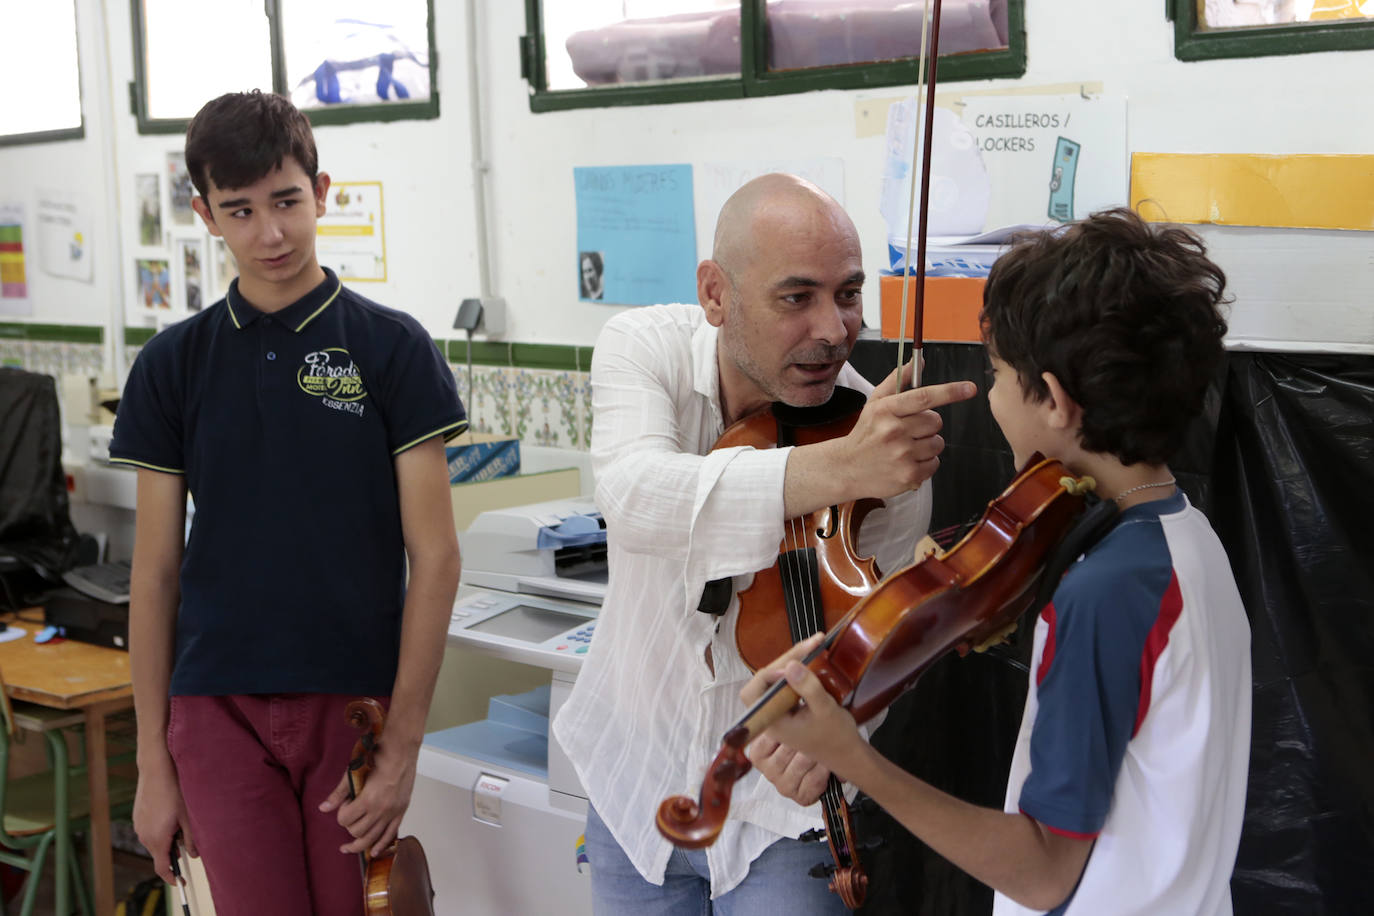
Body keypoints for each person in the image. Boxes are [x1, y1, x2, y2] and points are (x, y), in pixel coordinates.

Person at [742, 208, 1252, 915]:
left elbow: (1044, 872)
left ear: (1058, 401)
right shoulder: (1187, 542)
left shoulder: (1108, 592)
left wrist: (857, 761)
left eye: (1000, 375)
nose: (992, 396)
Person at [551, 173, 977, 913]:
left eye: (847, 294)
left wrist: (838, 733)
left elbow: (876, 630)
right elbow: (634, 498)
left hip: (780, 811)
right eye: (796, 298)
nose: (833, 330)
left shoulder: (881, 439)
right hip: (634, 780)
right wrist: (833, 470)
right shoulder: (642, 346)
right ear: (716, 294)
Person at [110, 90, 465, 916]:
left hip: (354, 710)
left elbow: (438, 557)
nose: (270, 233)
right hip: (213, 709)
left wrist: (403, 747)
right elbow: (155, 575)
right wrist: (152, 767)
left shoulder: (394, 349)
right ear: (205, 214)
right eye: (239, 210)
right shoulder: (172, 365)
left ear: (322, 190)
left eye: (286, 202)